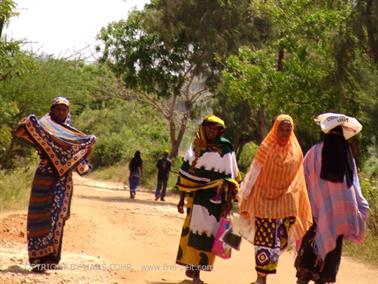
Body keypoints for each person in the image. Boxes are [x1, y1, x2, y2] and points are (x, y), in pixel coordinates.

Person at [14, 97, 96, 272]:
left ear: (68, 112)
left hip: (63, 181)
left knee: (57, 217)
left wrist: (87, 148)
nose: (61, 112)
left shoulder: (73, 136)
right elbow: (23, 127)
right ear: (52, 110)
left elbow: (82, 165)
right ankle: (37, 259)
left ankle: (51, 258)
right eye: (58, 109)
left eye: (64, 110)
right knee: (39, 217)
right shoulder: (44, 127)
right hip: (43, 177)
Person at [295, 113, 369, 284]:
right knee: (328, 263)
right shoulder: (346, 156)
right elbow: (353, 188)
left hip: (314, 215)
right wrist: (358, 208)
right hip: (338, 218)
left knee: (307, 260)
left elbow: (302, 180)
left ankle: (304, 277)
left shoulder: (314, 152)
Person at [239, 114, 312, 284]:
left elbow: (298, 178)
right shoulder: (266, 148)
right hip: (264, 202)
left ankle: (264, 273)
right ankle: (261, 278)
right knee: (264, 240)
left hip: (286, 204)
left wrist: (296, 198)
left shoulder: (296, 151)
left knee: (278, 241)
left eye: (289, 129)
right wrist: (245, 194)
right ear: (275, 129)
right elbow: (254, 172)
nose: (285, 132)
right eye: (282, 129)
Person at [175, 114, 241, 284]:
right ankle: (195, 271)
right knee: (195, 232)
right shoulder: (196, 146)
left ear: (220, 131)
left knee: (210, 236)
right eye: (209, 127)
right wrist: (181, 199)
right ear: (203, 128)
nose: (211, 131)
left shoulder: (226, 148)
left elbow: (232, 178)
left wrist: (229, 204)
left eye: (215, 128)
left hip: (217, 201)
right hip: (197, 198)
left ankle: (197, 269)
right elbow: (185, 176)